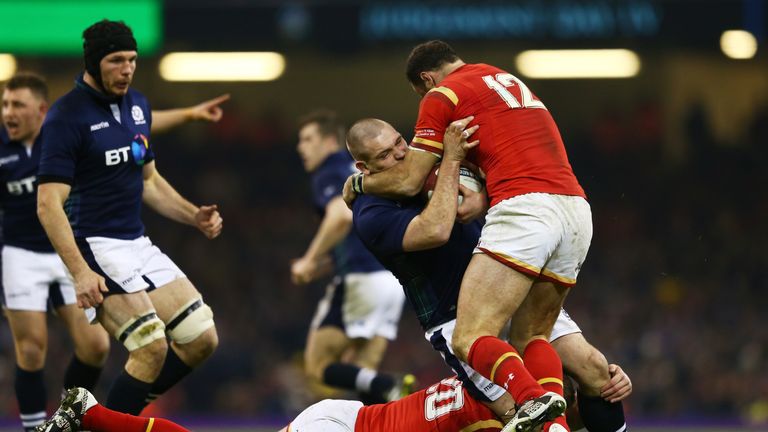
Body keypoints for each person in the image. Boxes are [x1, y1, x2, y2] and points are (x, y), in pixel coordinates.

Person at [343, 40, 594, 430]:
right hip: (573, 207)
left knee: (473, 338)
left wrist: (356, 184)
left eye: (400, 142)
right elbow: (437, 225)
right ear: (364, 163)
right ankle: (549, 414)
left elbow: (414, 183)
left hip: (525, 218)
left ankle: (534, 400)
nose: (401, 154)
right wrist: (460, 171)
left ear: (426, 80)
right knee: (547, 350)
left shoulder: (440, 97)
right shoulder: (501, 77)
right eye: (385, 156)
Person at [1, 72, 227, 430]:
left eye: (17, 105)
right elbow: (48, 205)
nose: (8, 113)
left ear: (41, 111)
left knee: (96, 348)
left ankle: (81, 418)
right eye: (4, 105)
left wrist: (188, 114)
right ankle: (39, 426)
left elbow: (138, 127)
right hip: (29, 253)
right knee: (32, 349)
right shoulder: (21, 142)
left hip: (69, 249)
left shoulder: (64, 133)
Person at [37, 367, 629, 432]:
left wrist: (605, 374)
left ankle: (84, 410)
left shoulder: (502, 377)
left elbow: (544, 333)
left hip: (351, 419)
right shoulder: (533, 421)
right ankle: (86, 409)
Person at [292, 110, 407, 404]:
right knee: (361, 372)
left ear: (330, 141)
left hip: (361, 279)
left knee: (318, 366)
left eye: (308, 139)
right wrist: (325, 263)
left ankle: (388, 385)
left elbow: (341, 217)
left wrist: (308, 259)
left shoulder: (329, 172)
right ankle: (388, 406)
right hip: (393, 279)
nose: (300, 147)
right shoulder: (360, 172)